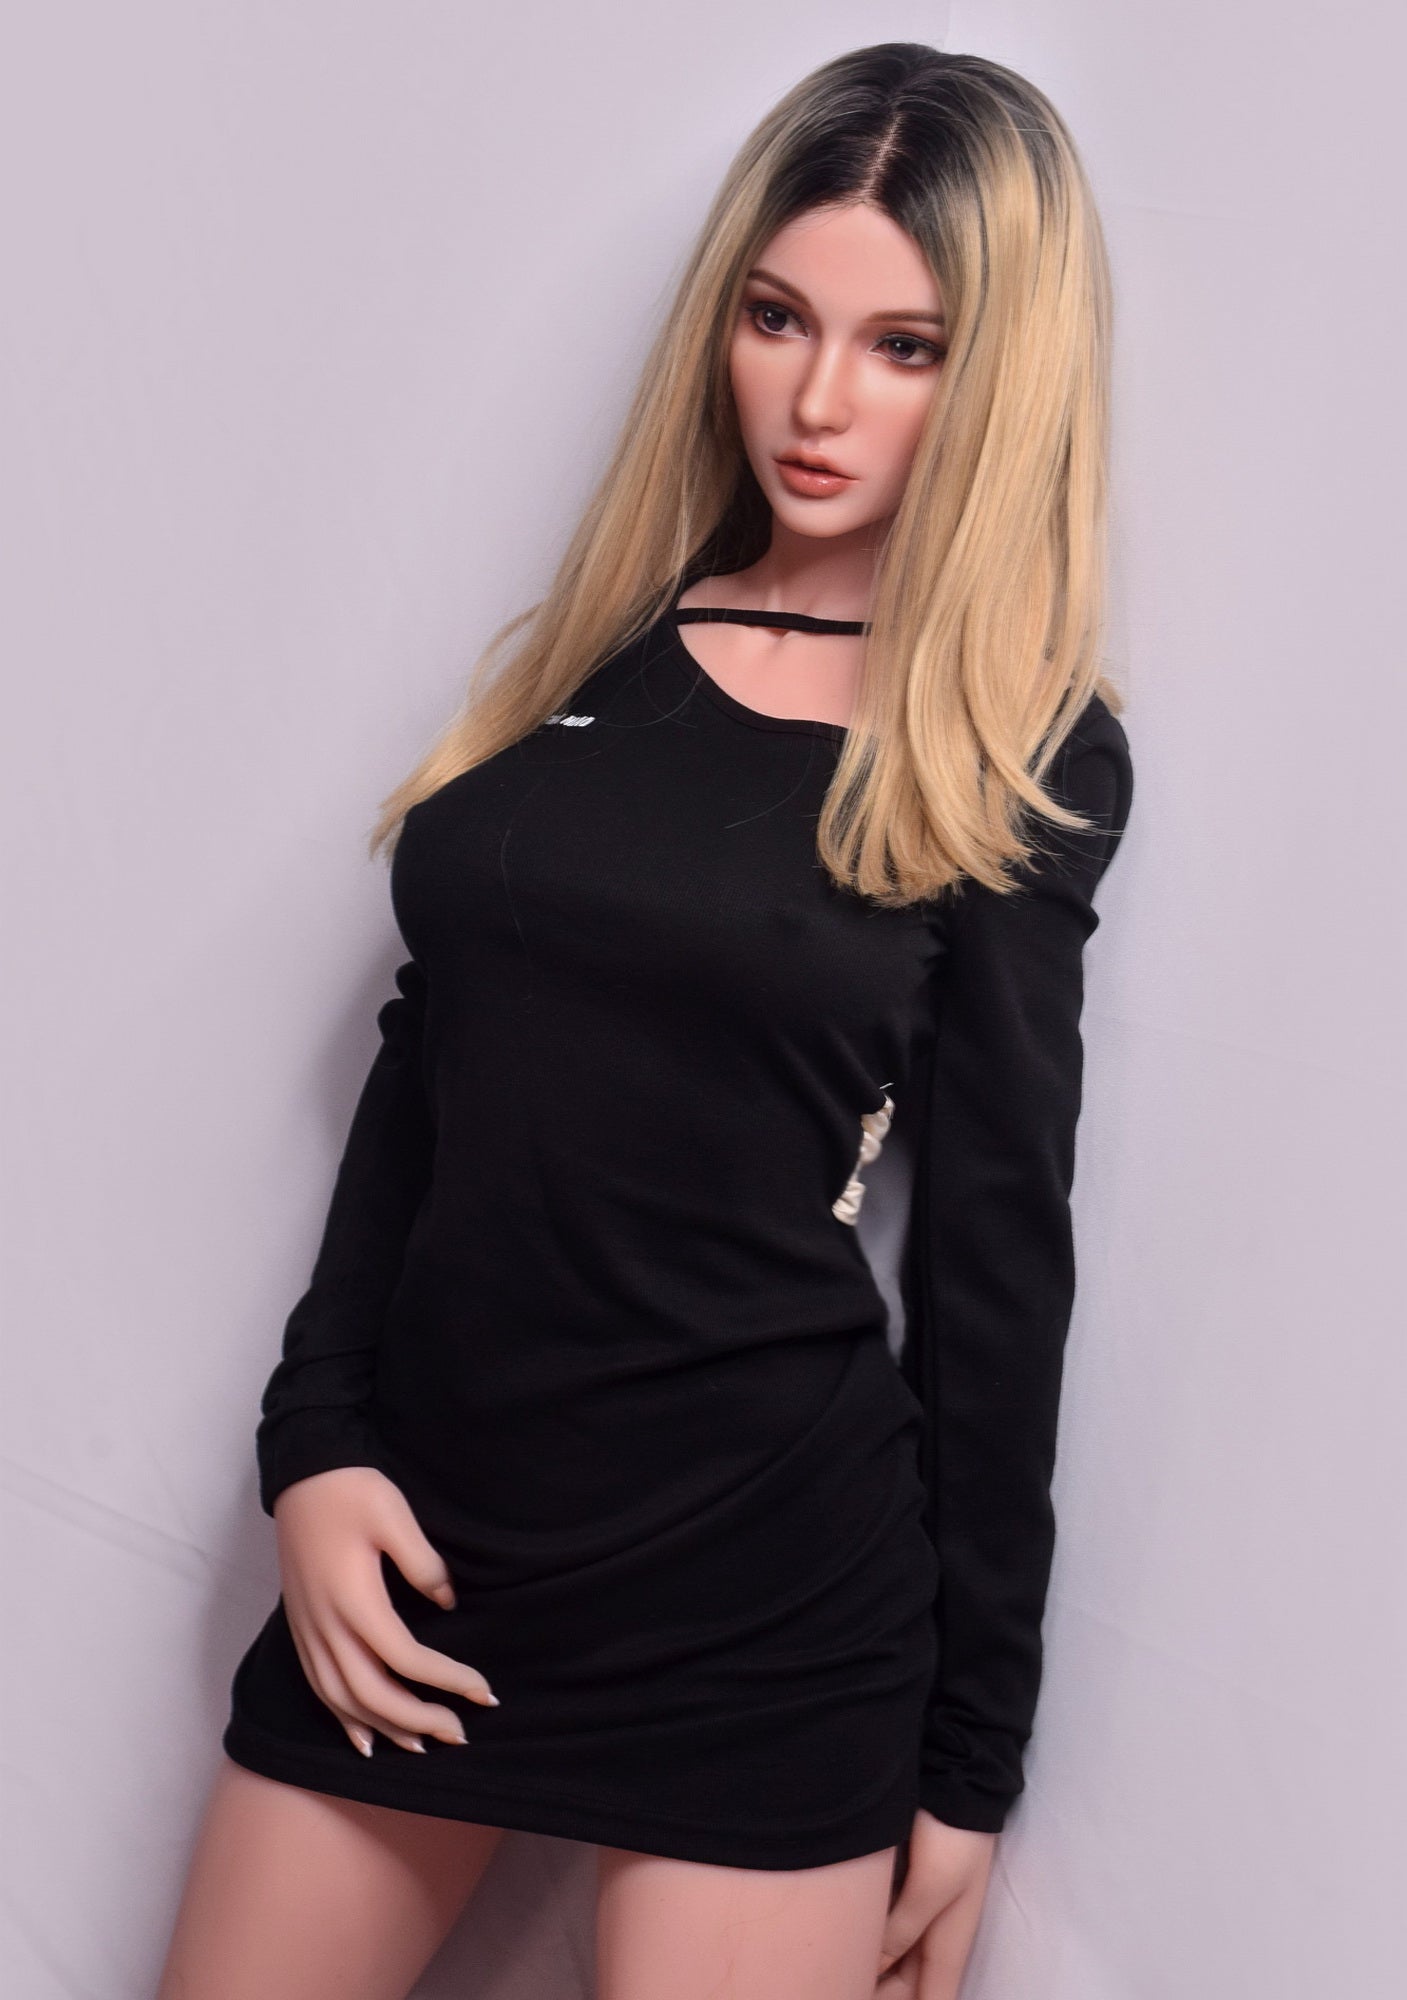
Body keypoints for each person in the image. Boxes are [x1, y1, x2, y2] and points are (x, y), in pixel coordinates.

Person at [157, 41, 1135, 2000]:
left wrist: (969, 1763)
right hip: (424, 1552)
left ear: (1002, 376)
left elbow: (992, 1268)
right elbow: (433, 1061)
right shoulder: (608, 647)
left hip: (762, 1605)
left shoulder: (1014, 749)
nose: (819, 401)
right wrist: (313, 1444)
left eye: (905, 347)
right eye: (778, 319)